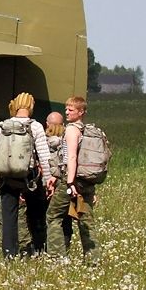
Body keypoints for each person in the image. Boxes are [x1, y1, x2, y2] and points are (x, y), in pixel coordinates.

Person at [0, 92, 54, 259]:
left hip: (7, 178)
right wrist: (48, 180)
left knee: (9, 218)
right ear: (31, 106)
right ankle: (38, 249)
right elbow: (44, 156)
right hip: (30, 178)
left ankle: (9, 254)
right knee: (36, 213)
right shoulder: (35, 126)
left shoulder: (3, 126)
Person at [48, 95, 101, 264]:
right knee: (85, 220)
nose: (67, 112)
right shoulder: (88, 131)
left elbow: (71, 158)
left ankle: (58, 257)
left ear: (81, 112)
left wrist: (70, 183)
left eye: (71, 110)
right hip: (86, 181)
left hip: (71, 181)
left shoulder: (71, 130)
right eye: (67, 109)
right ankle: (93, 259)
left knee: (53, 216)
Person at [42, 111, 74, 253]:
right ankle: (64, 247)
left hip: (44, 184)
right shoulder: (68, 140)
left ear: (46, 124)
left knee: (46, 216)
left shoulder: (42, 141)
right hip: (64, 183)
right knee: (65, 218)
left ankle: (49, 250)